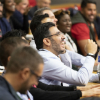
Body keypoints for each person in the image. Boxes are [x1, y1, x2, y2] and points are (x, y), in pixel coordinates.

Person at [1, 30, 100, 100]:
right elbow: (44, 94)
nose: (37, 80)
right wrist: (90, 54)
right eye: (57, 33)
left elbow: (47, 88)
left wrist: (80, 90)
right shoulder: (5, 94)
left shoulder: (20, 81)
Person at [33, 22, 98, 86]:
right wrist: (90, 54)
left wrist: (98, 77)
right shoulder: (46, 59)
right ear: (47, 41)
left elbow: (71, 78)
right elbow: (81, 79)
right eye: (58, 34)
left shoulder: (52, 54)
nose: (63, 37)